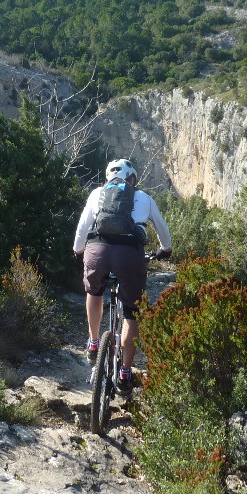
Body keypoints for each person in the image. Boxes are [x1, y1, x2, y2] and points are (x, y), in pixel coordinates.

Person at [73, 158, 172, 393]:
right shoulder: (144, 198)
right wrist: (165, 250)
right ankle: (125, 373)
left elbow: (82, 228)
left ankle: (94, 342)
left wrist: (79, 251)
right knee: (131, 313)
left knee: (94, 291)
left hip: (97, 250)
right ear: (132, 179)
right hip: (129, 256)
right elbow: (163, 231)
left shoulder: (97, 193)